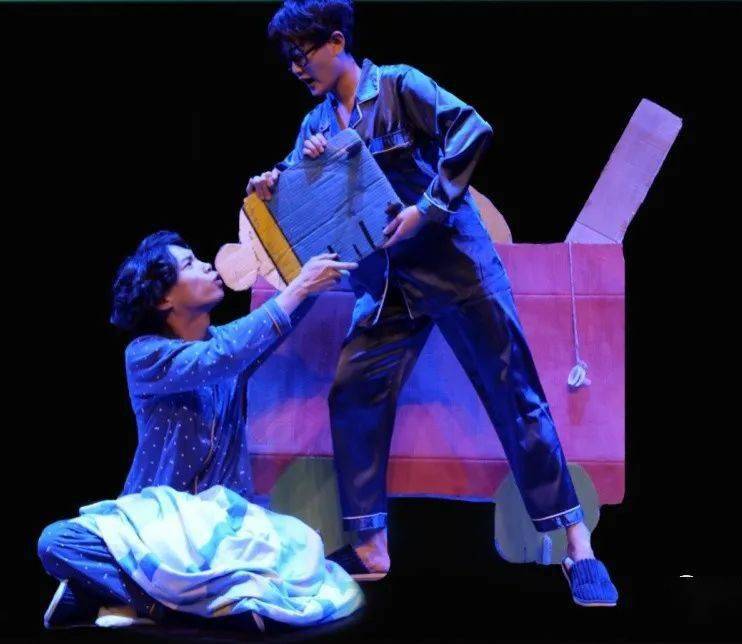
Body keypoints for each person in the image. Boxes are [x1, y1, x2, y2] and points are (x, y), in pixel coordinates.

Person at [246, 0, 618, 607]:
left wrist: (431, 207)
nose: (295, 67)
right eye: (288, 59)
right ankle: (371, 547)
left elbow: (472, 128)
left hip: (456, 265)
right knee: (352, 389)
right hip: (388, 285)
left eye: (302, 53)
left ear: (336, 41)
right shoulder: (315, 122)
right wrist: (275, 183)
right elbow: (300, 203)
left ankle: (580, 548)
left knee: (515, 393)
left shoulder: (397, 85)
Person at [38, 231, 359, 628]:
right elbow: (222, 356)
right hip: (159, 533)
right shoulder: (145, 356)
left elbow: (274, 323)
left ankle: (133, 602)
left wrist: (302, 231)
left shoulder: (230, 344)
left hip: (222, 532)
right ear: (163, 299)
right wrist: (299, 287)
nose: (207, 265)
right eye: (189, 264)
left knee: (306, 546)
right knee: (56, 541)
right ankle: (180, 607)